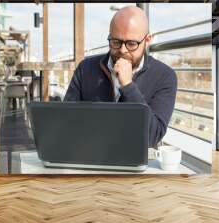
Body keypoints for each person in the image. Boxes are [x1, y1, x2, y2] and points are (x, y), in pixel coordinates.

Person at [64, 6, 177, 147]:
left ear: (147, 40)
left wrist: (128, 86)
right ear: (109, 36)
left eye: (131, 44)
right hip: (90, 152)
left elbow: (152, 137)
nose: (123, 50)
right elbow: (66, 121)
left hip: (135, 158)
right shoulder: (85, 68)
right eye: (116, 42)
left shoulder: (165, 76)